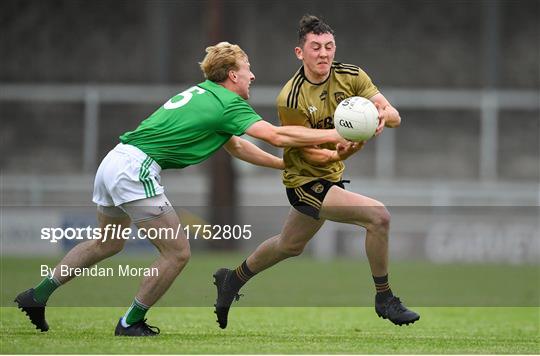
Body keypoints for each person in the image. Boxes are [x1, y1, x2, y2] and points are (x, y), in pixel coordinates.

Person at [14, 41, 352, 337]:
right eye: (248, 69)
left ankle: (36, 296)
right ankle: (131, 322)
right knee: (177, 252)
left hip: (114, 162)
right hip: (135, 170)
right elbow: (277, 136)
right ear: (232, 75)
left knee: (108, 242)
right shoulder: (228, 103)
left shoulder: (205, 94)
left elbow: (237, 147)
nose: (252, 76)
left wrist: (284, 165)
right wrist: (336, 134)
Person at [213, 15, 420, 329]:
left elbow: (393, 115)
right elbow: (308, 152)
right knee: (378, 217)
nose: (323, 53)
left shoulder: (351, 76)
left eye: (329, 46)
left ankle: (232, 279)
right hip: (304, 180)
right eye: (315, 47)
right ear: (300, 53)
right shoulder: (292, 97)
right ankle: (385, 298)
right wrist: (342, 150)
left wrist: (380, 117)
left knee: (289, 245)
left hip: (330, 175)